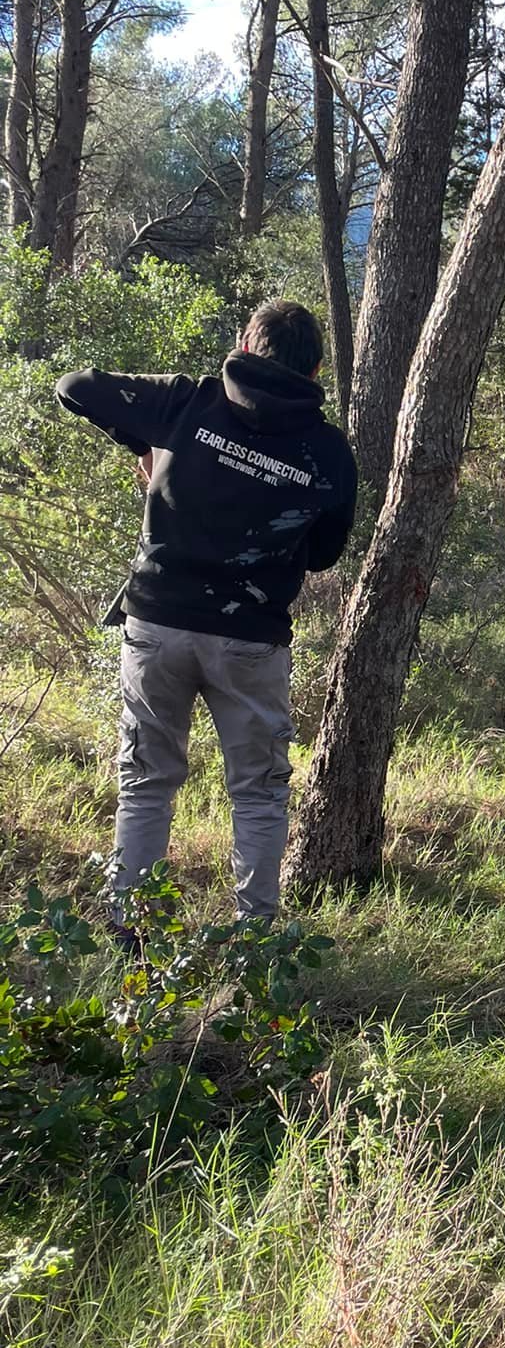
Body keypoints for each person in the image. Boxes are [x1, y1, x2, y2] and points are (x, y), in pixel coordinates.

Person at [55, 299, 357, 924]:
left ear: (246, 346)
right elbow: (324, 554)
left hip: (158, 623)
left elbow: (75, 387)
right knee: (259, 794)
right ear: (318, 369)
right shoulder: (328, 451)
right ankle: (255, 943)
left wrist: (149, 446)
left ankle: (128, 931)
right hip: (251, 638)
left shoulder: (190, 402)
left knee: (146, 781)